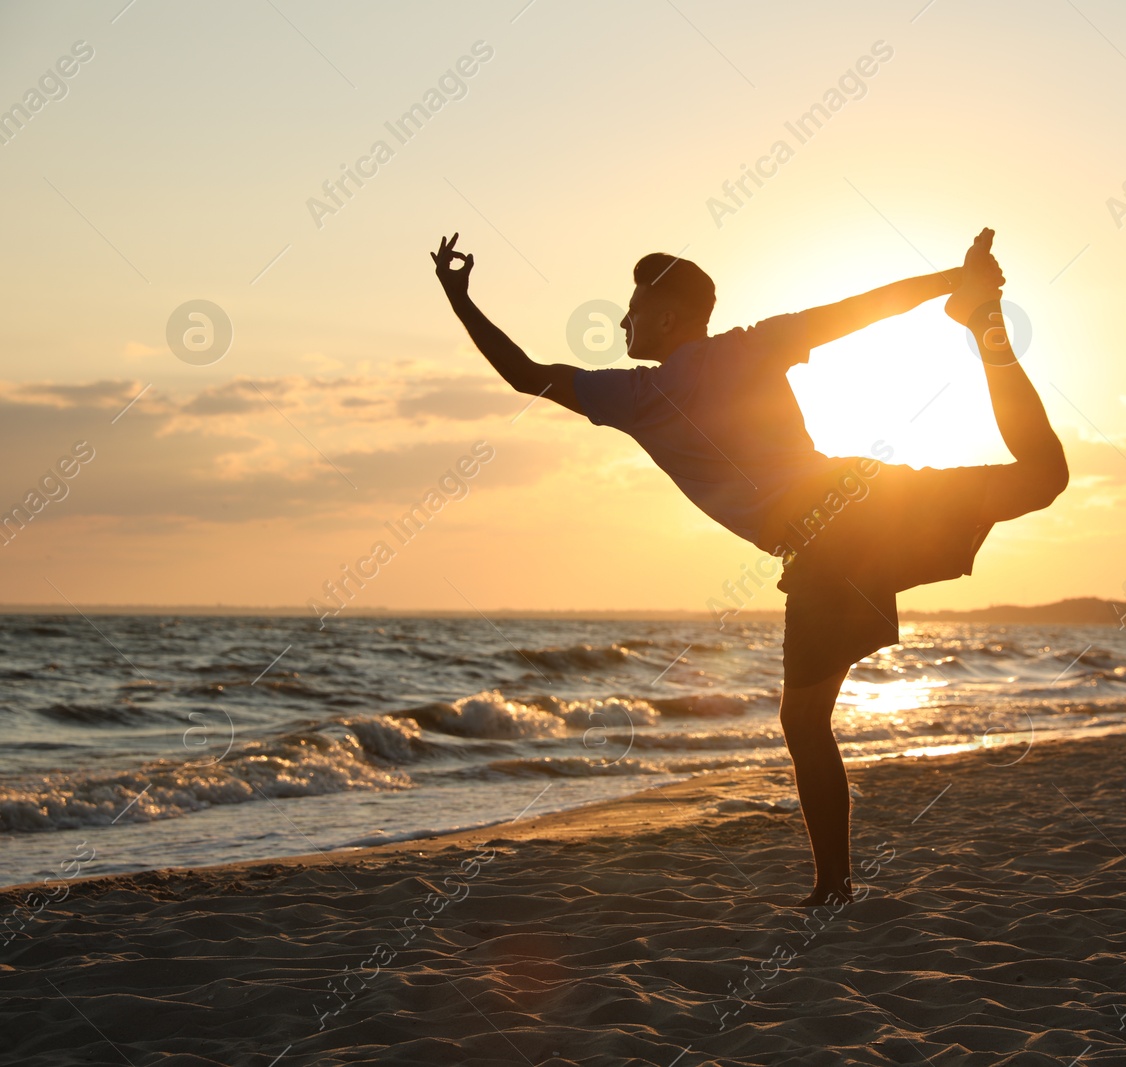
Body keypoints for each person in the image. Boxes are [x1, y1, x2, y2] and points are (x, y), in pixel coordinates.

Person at [431, 229, 1068, 905]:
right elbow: (861, 308)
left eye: (633, 309)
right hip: (862, 503)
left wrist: (459, 298)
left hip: (831, 536)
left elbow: (527, 374)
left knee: (803, 723)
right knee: (1044, 477)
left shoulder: (638, 397)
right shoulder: (749, 345)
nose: (622, 321)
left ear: (668, 316)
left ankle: (834, 888)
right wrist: (954, 278)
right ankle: (982, 320)